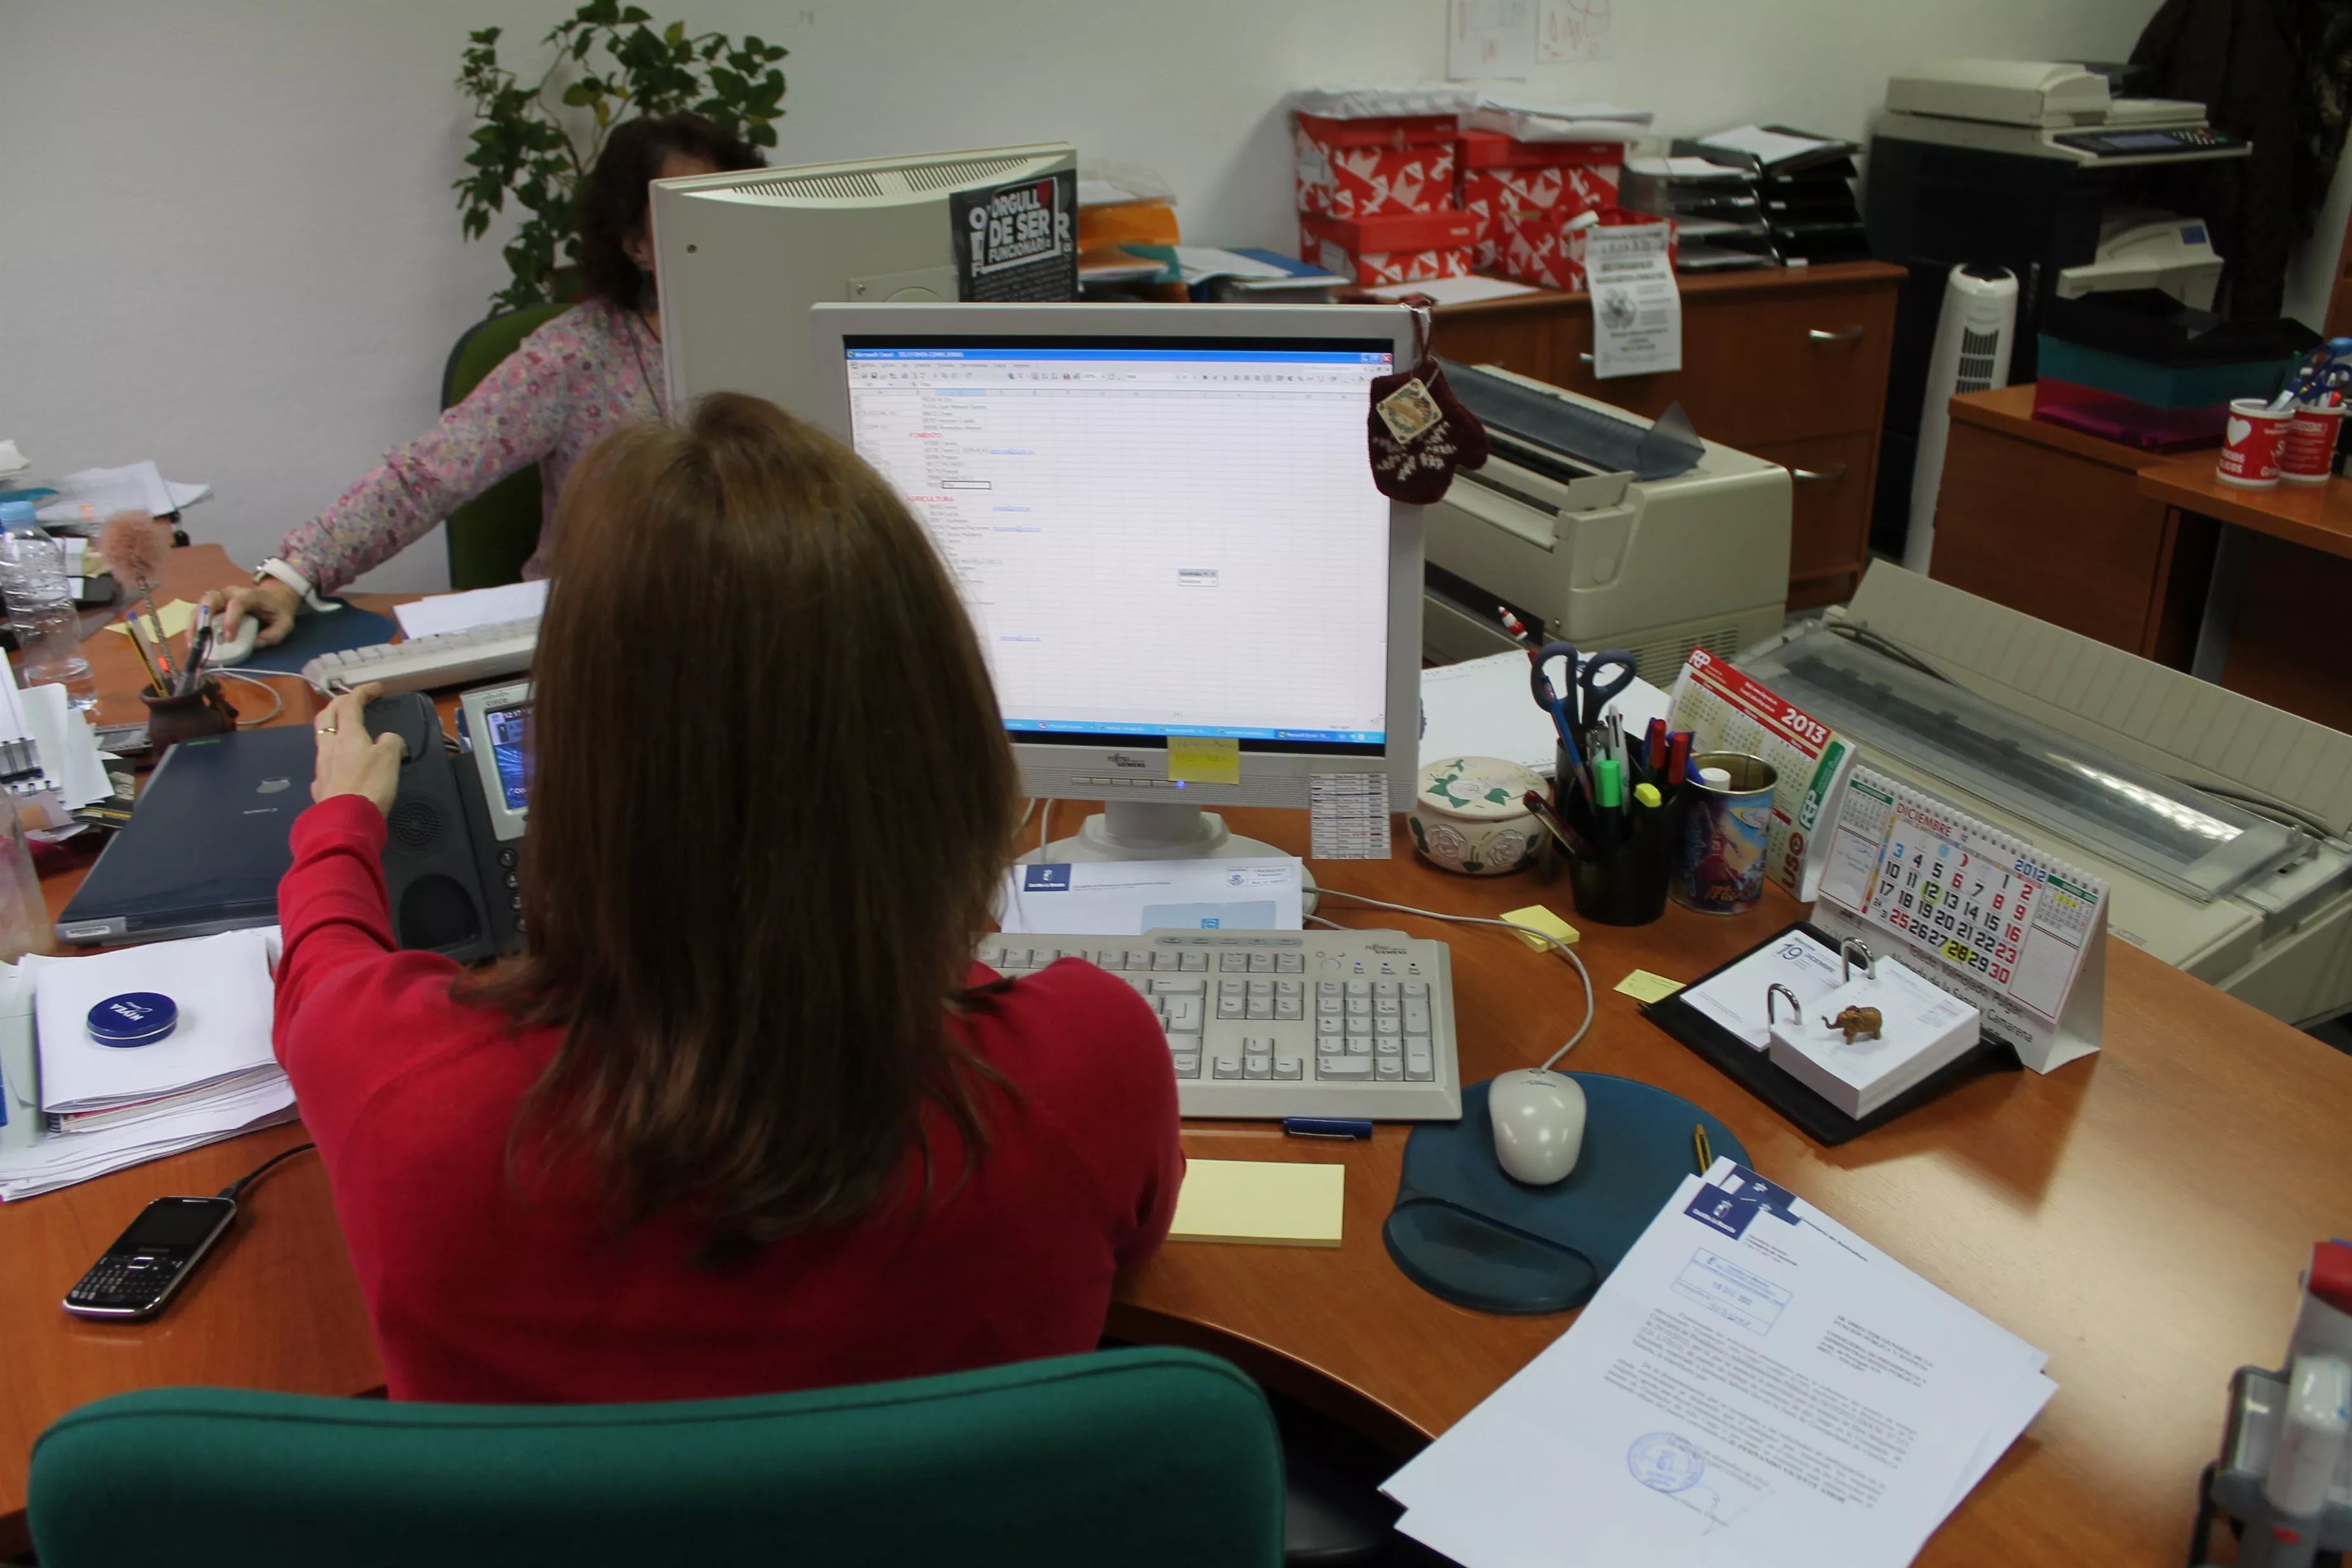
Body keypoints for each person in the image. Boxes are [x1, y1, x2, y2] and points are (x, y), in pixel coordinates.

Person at [273, 394, 1184, 1403]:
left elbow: (320, 967)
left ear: (575, 766)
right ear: (950, 748)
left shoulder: (402, 1089)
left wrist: (343, 817)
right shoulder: (1090, 1065)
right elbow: (1134, 1234)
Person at [218, 112, 764, 649]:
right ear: (635, 243)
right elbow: (427, 475)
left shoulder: (781, 331)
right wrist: (290, 577)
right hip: (608, 634)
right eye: (690, 210)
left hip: (756, 621)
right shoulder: (575, 354)